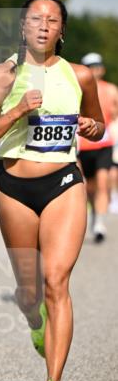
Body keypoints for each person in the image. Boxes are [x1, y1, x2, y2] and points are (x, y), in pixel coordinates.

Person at [0, 0, 105, 381]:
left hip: (64, 181)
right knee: (30, 293)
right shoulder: (3, 76)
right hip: (14, 188)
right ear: (23, 27)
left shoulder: (79, 76)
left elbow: (99, 128)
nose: (44, 26)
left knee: (57, 281)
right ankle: (33, 316)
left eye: (53, 20)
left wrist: (90, 125)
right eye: (35, 19)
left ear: (62, 30)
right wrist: (16, 113)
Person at [76, 52, 118, 243]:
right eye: (90, 66)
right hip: (84, 145)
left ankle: (100, 222)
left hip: (104, 143)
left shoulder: (111, 89)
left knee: (102, 182)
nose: (94, 70)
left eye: (97, 66)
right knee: (90, 188)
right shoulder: (78, 88)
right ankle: (95, 217)